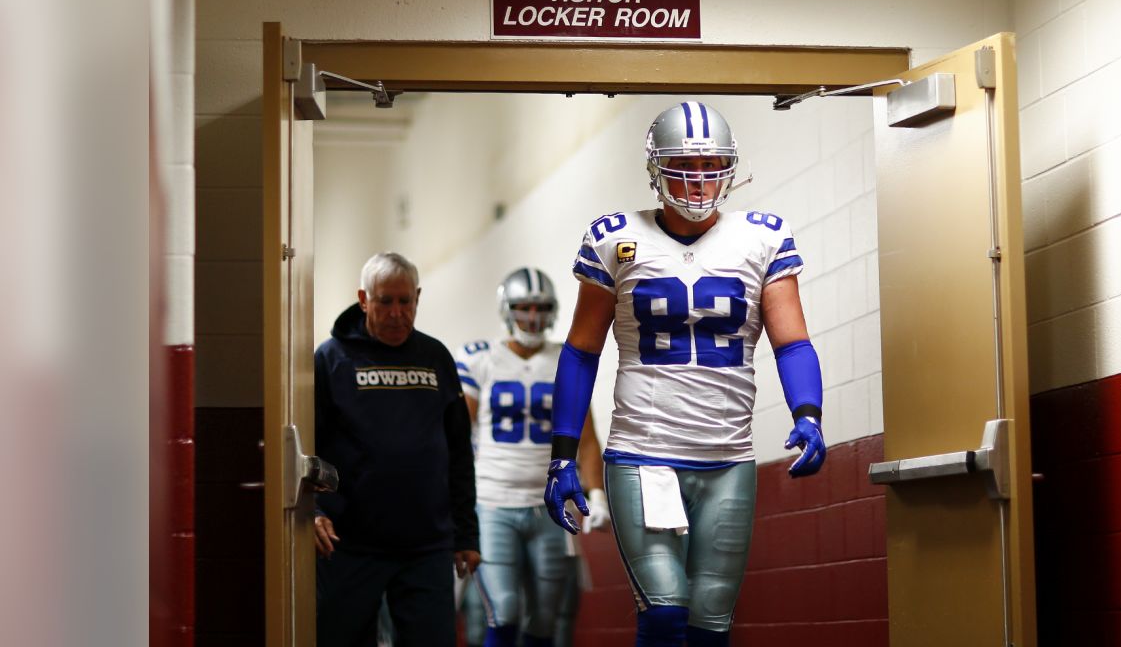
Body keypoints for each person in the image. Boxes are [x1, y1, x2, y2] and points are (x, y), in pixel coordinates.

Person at [543, 101, 827, 646]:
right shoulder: (615, 237)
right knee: (666, 612)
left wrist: (808, 413)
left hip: (727, 457)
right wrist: (561, 454)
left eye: (710, 166)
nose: (698, 182)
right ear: (656, 168)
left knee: (710, 623)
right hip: (644, 453)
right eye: (684, 167)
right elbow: (581, 352)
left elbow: (792, 341)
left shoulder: (762, 236)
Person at [313, 251, 481, 647]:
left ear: (417, 298)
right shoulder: (332, 359)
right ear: (363, 299)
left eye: (406, 301)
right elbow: (310, 448)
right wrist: (315, 510)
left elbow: (458, 449)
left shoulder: (435, 357)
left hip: (426, 545)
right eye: (385, 301)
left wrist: (466, 534)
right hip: (351, 544)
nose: (396, 313)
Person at [455, 267, 609, 647]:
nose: (532, 316)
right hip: (492, 503)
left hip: (550, 506)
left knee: (544, 616)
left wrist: (597, 493)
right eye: (523, 307)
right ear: (507, 309)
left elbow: (585, 438)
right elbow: (458, 436)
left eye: (540, 307)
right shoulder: (480, 358)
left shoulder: (564, 359)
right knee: (503, 610)